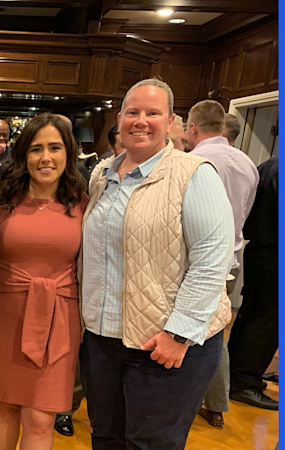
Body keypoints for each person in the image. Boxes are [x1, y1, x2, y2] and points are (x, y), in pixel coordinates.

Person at [80, 78, 234, 449]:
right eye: (132, 112)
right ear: (119, 120)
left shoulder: (194, 173)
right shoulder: (102, 175)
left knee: (152, 444)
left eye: (153, 113)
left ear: (171, 122)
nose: (141, 121)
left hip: (163, 345)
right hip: (103, 342)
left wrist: (177, 334)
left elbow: (212, 262)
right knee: (105, 438)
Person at [0, 113, 87, 450]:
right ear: (23, 154)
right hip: (5, 313)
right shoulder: (1, 199)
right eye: (36, 149)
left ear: (68, 153)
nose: (45, 158)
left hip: (58, 319)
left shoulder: (83, 201)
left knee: (41, 418)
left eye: (55, 148)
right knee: (5, 407)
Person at [185, 99, 259, 427]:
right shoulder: (248, 164)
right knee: (216, 331)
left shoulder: (190, 161)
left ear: (193, 128)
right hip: (232, 258)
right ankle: (216, 405)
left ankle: (180, 398)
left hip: (194, 259)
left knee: (188, 328)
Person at [228, 156, 278, 410]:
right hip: (273, 253)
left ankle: (237, 372)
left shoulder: (270, 164)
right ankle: (244, 381)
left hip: (260, 250)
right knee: (267, 321)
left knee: (252, 315)